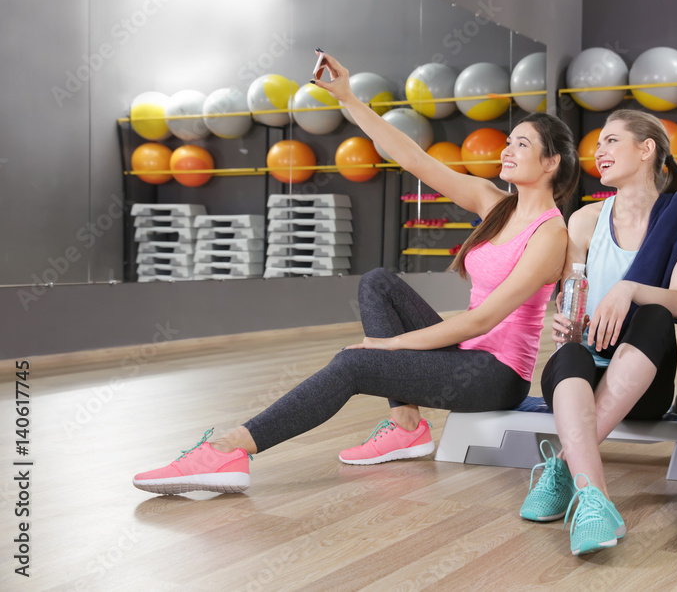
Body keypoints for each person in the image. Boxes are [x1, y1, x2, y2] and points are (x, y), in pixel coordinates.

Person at [132, 51, 580, 494]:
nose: (507, 150)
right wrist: (348, 98)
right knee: (378, 281)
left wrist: (389, 346)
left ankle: (231, 450)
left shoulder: (549, 234)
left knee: (355, 363)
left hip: (497, 376)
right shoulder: (494, 203)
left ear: (551, 162)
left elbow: (484, 320)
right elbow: (415, 160)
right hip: (465, 351)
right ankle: (406, 425)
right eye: (509, 141)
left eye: (522, 144)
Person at [519, 109, 677, 556]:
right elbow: (570, 298)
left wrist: (627, 289)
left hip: (644, 380)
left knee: (655, 313)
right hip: (585, 367)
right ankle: (595, 500)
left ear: (647, 150)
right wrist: (567, 322)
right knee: (569, 354)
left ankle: (563, 466)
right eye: (597, 144)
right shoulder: (584, 222)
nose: (598, 152)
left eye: (611, 141)